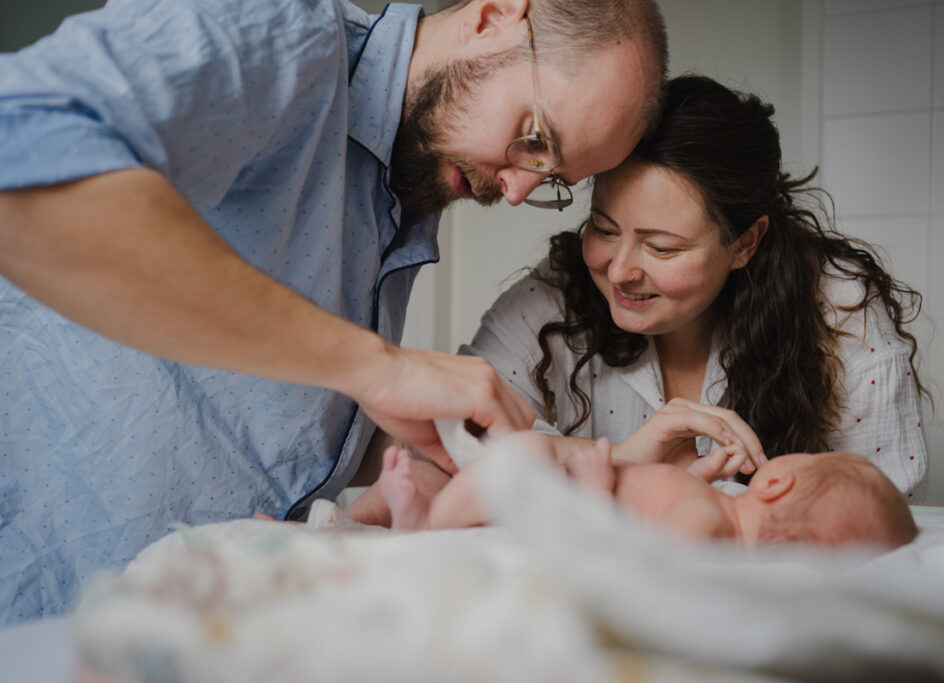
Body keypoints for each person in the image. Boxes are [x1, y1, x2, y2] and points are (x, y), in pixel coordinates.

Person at [0, 0, 668, 624]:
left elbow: (268, 422)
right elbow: (21, 159)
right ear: (492, 17)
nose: (519, 189)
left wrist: (592, 469)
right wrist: (378, 367)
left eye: (552, 180)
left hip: (168, 627)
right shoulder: (281, 30)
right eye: (534, 137)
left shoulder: (399, 205)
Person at [462, 73, 930, 501]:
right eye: (604, 229)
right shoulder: (560, 293)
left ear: (745, 243)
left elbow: (883, 520)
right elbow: (453, 428)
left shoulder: (841, 316)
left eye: (662, 248)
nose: (620, 270)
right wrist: (625, 462)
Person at [378, 430, 919, 550]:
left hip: (557, 516)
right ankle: (409, 514)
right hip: (543, 510)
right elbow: (663, 508)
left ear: (776, 483)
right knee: (427, 478)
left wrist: (593, 487)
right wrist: (698, 475)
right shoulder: (717, 513)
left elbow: (623, 559)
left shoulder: (707, 528)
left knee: (528, 454)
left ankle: (425, 526)